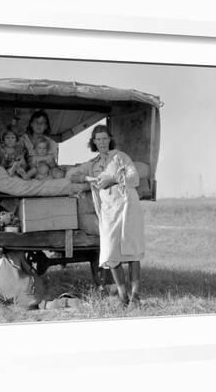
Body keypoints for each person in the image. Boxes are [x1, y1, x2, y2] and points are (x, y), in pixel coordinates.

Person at [69, 125, 145, 308]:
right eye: (98, 139)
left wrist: (114, 179)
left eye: (105, 138)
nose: (102, 142)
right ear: (93, 142)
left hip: (128, 205)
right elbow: (71, 175)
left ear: (109, 139)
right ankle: (122, 295)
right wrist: (90, 179)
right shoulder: (92, 164)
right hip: (109, 210)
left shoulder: (120, 157)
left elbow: (135, 178)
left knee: (132, 249)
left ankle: (135, 296)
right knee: (111, 252)